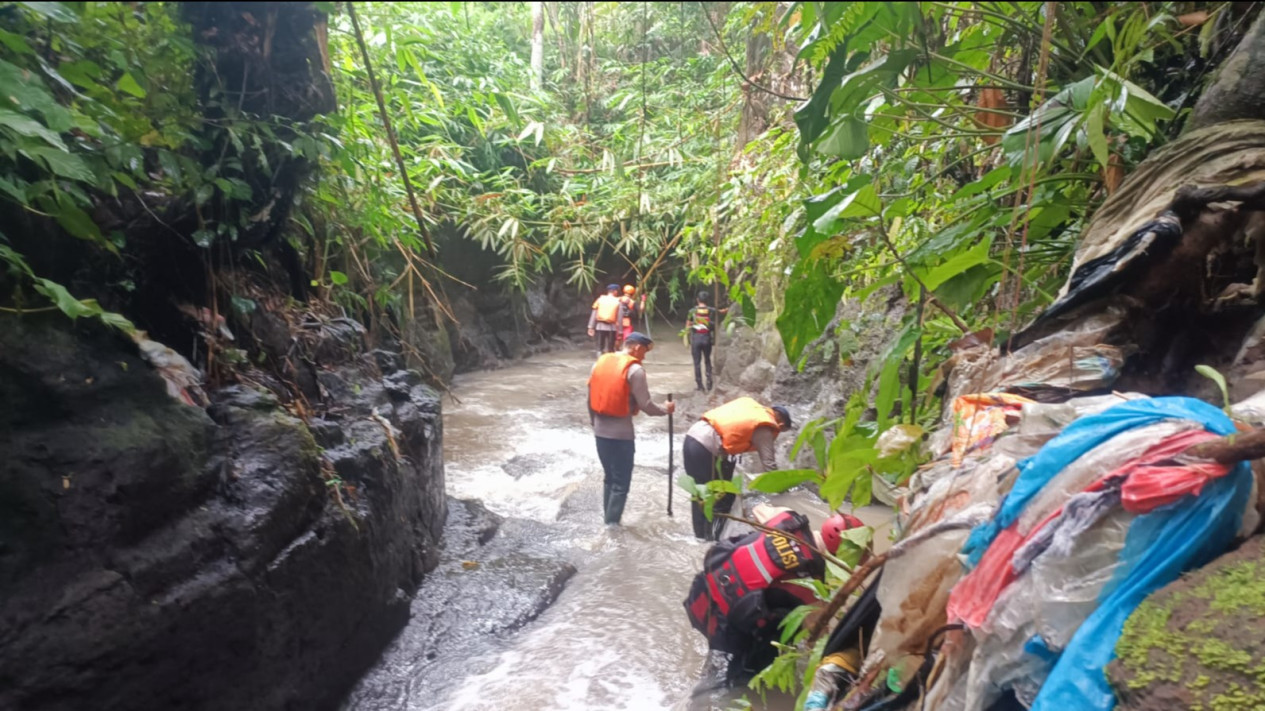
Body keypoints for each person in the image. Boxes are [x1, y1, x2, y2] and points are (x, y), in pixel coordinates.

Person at [684, 504, 865, 685]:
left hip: (705, 590)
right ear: (841, 557)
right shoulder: (812, 590)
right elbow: (817, 643)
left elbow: (757, 509)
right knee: (727, 685)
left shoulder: (787, 519)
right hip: (729, 629)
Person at [587, 331, 675, 525]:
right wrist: (665, 409)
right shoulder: (635, 370)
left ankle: (608, 521)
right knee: (621, 484)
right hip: (622, 436)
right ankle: (611, 528)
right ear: (636, 347)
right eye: (644, 352)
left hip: (600, 433)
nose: (644, 357)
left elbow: (590, 399)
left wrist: (595, 424)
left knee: (609, 478)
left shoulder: (599, 363)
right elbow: (646, 405)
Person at [684, 397, 793, 540]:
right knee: (722, 496)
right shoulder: (765, 428)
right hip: (707, 445)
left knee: (700, 491)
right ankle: (712, 538)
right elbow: (769, 465)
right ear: (781, 424)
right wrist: (784, 492)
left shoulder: (752, 409)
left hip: (692, 436)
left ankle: (700, 537)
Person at [684, 291, 724, 391]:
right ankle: (709, 382)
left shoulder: (692, 311)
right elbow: (722, 312)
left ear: (697, 300)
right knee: (707, 360)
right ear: (707, 301)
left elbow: (687, 326)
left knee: (697, 363)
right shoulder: (711, 310)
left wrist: (687, 337)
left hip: (696, 339)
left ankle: (700, 385)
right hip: (707, 338)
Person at [589, 283, 626, 355]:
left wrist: (591, 326)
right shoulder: (618, 301)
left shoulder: (600, 300)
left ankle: (600, 357)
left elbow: (594, 313)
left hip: (600, 326)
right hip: (612, 327)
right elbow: (620, 318)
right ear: (615, 291)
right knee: (611, 347)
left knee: (600, 346)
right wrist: (620, 331)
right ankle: (609, 359)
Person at [616, 284, 643, 349]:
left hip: (617, 322)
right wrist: (643, 300)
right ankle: (625, 351)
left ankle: (616, 350)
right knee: (627, 339)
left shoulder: (618, 299)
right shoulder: (632, 302)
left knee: (617, 338)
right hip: (627, 323)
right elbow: (641, 309)